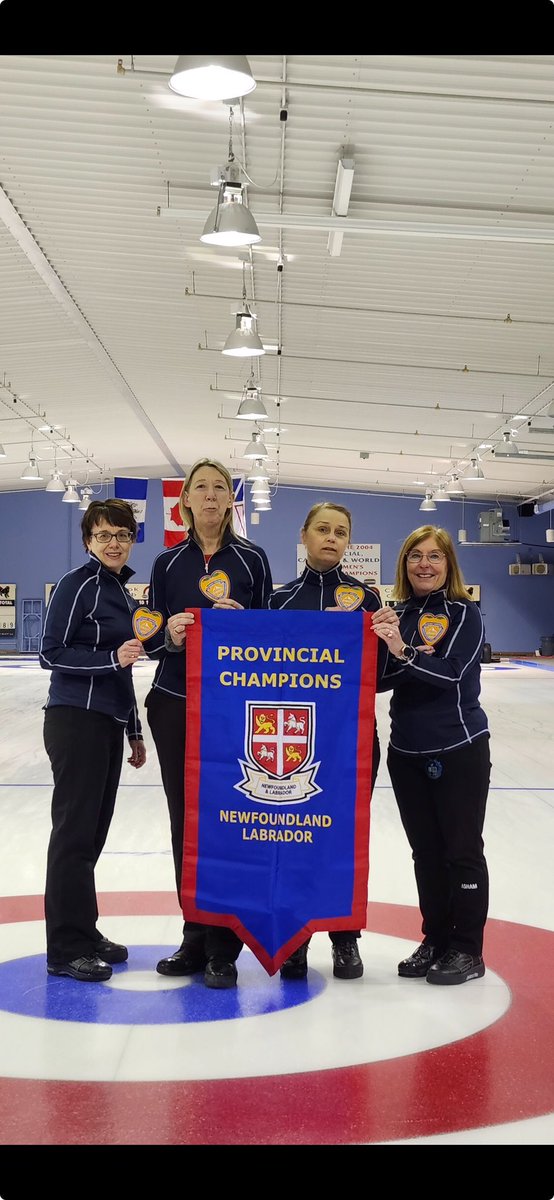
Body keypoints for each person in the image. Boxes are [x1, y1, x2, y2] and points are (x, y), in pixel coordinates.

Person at [144, 459, 273, 989]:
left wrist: (247, 623)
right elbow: (148, 634)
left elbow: (273, 637)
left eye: (221, 487)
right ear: (187, 502)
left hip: (234, 708)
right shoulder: (166, 562)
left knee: (226, 823)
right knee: (185, 823)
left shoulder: (254, 559)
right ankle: (194, 937)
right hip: (176, 700)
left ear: (231, 501)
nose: (212, 495)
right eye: (202, 487)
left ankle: (225, 944)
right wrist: (169, 636)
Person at [268, 501, 399, 981]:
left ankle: (345, 937)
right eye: (322, 529)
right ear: (303, 535)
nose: (331, 537)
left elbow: (381, 681)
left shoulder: (366, 601)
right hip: (295, 745)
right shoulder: (277, 601)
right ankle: (296, 938)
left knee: (342, 842)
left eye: (340, 532)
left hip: (352, 744)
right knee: (294, 841)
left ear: (349, 542)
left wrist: (390, 642)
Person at [373, 524, 490, 986]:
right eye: (415, 556)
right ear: (404, 565)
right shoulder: (397, 613)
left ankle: (467, 949)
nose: (424, 564)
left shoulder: (464, 612)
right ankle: (436, 939)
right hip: (406, 751)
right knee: (425, 853)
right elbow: (382, 680)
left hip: (459, 747)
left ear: (448, 564)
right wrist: (372, 644)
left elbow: (452, 674)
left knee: (461, 851)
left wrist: (404, 653)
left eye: (434, 556)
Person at [39, 500, 146, 982]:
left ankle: (85, 929)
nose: (114, 543)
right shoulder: (76, 584)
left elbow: (125, 665)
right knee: (74, 838)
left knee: (92, 836)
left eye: (122, 535)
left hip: (106, 720)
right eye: (104, 535)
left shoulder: (122, 593)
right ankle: (65, 948)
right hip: (74, 719)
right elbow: (51, 652)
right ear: (88, 540)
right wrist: (109, 660)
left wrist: (135, 729)